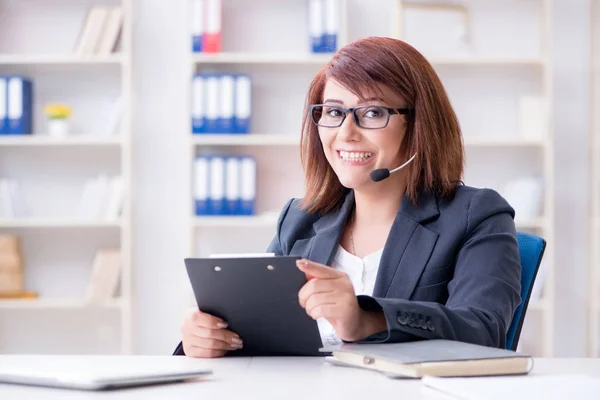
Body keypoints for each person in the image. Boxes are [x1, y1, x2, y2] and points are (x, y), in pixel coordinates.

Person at [174, 36, 521, 358]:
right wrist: (205, 337)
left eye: (372, 112)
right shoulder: (300, 220)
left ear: (419, 124)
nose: (345, 133)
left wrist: (366, 319)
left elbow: (483, 331)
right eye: (335, 112)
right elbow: (258, 330)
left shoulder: (475, 215)